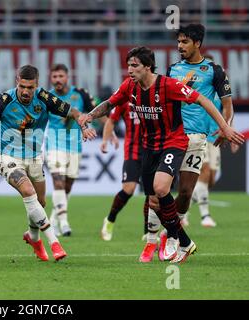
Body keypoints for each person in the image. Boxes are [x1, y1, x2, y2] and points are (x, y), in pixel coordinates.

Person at [79, 46, 243, 264]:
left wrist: (224, 126)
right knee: (154, 200)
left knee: (161, 187)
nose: (130, 69)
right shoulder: (129, 86)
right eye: (128, 65)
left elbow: (202, 100)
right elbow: (110, 103)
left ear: (147, 66)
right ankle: (184, 241)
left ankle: (174, 237)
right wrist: (89, 116)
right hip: (149, 146)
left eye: (135, 65)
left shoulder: (168, 85)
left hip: (173, 142)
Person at [0, 65, 95, 262]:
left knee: (40, 203)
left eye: (30, 87)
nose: (26, 91)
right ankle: (54, 243)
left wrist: (83, 126)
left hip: (33, 157)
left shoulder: (44, 98)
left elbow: (74, 112)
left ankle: (33, 238)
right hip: (6, 156)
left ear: (37, 85)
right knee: (28, 191)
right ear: (17, 81)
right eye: (22, 86)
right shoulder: (4, 100)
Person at [148, 24, 236, 255]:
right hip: (171, 136)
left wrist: (225, 128)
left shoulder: (214, 71)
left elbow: (228, 106)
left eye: (184, 42)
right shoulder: (173, 69)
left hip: (197, 138)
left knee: (186, 191)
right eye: (178, 42)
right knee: (159, 190)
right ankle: (159, 237)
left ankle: (171, 233)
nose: (179, 46)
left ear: (198, 43)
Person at [45, 63, 96, 237]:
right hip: (54, 144)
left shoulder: (80, 94)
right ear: (51, 79)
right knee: (58, 181)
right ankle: (65, 223)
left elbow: (95, 111)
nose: (58, 80)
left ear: (67, 77)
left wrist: (109, 132)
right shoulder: (47, 98)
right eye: (54, 77)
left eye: (61, 76)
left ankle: (53, 220)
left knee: (66, 187)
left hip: (75, 146)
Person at [188, 52, 236, 228]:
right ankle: (205, 216)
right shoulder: (197, 89)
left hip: (215, 137)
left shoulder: (219, 90)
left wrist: (230, 131)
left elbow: (228, 110)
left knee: (212, 178)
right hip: (199, 134)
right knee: (205, 171)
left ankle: (183, 211)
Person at [99, 101, 146, 242]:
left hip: (154, 150)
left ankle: (148, 232)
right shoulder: (125, 100)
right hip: (133, 151)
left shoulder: (154, 95)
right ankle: (110, 219)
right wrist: (105, 140)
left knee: (153, 193)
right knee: (128, 189)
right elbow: (111, 120)